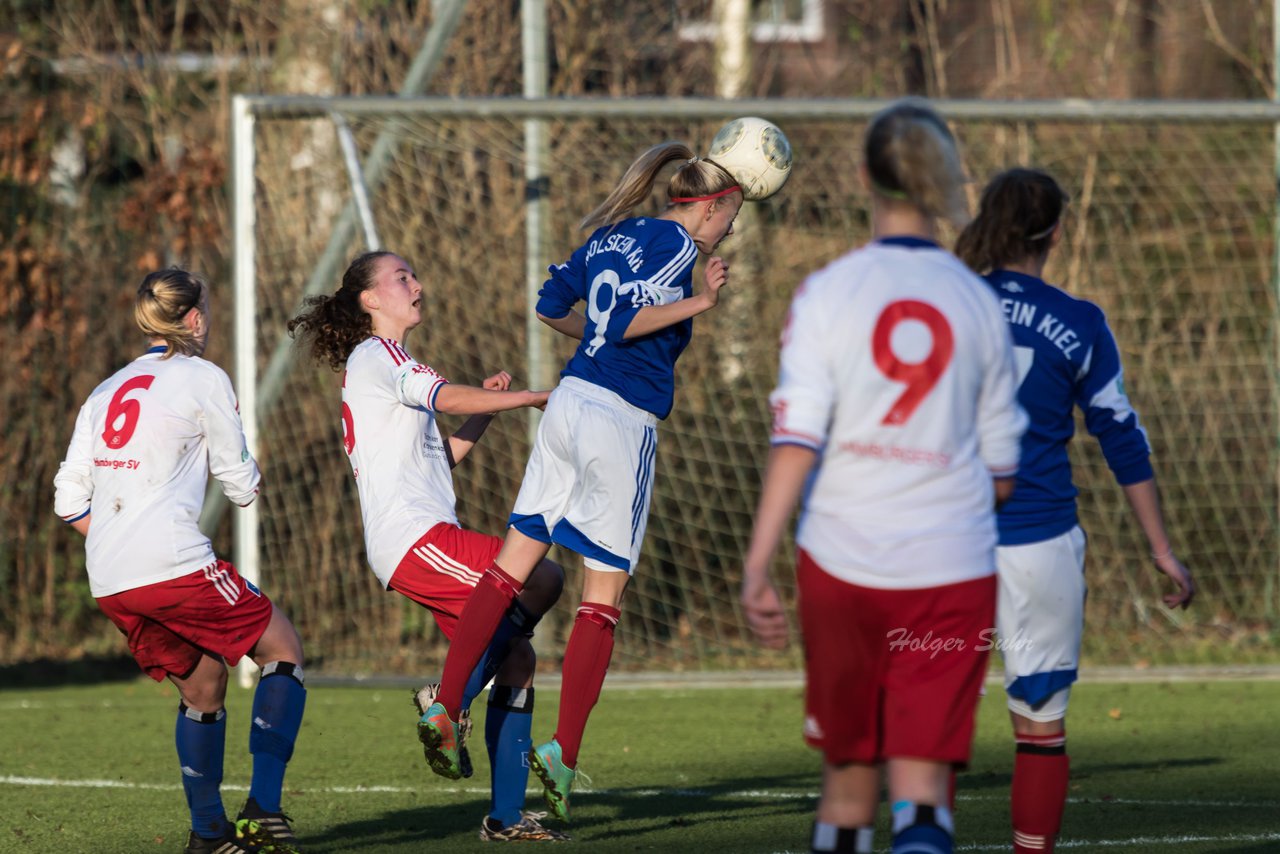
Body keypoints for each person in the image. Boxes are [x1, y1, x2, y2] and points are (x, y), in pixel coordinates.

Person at [739, 98, 1029, 854]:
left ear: (865, 176)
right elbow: (1003, 473)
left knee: (847, 784)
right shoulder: (978, 302)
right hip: (951, 569)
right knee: (924, 792)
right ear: (944, 181)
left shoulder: (828, 291)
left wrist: (758, 561)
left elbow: (796, 439)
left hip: (842, 564)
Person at [416, 141, 738, 821]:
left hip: (567, 405)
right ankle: (562, 751)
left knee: (510, 568)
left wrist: (595, 334)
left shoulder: (613, 236)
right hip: (619, 420)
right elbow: (621, 322)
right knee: (602, 598)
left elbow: (550, 305)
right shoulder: (681, 252)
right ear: (710, 207)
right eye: (731, 213)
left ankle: (446, 701)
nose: (729, 228)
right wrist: (700, 303)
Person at [287, 250, 568, 842]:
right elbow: (444, 396)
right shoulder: (378, 354)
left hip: (421, 537)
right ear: (370, 300)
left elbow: (440, 462)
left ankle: (506, 817)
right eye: (402, 277)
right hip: (416, 540)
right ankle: (446, 697)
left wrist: (486, 415)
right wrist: (530, 399)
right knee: (542, 577)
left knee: (518, 658)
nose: (418, 284)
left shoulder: (387, 364)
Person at [954, 167, 1196, 854]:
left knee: (931, 730)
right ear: (1056, 232)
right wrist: (1160, 550)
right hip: (1039, 544)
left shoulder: (941, 307)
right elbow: (1121, 434)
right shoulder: (1080, 321)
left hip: (945, 544)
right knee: (1040, 727)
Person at [53, 268, 306, 854]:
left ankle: (208, 835)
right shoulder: (203, 377)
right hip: (170, 562)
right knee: (283, 648)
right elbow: (239, 483)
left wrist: (117, 533)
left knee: (204, 685)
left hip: (110, 576)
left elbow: (68, 498)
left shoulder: (105, 389)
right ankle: (264, 808)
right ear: (194, 318)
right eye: (207, 310)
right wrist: (250, 473)